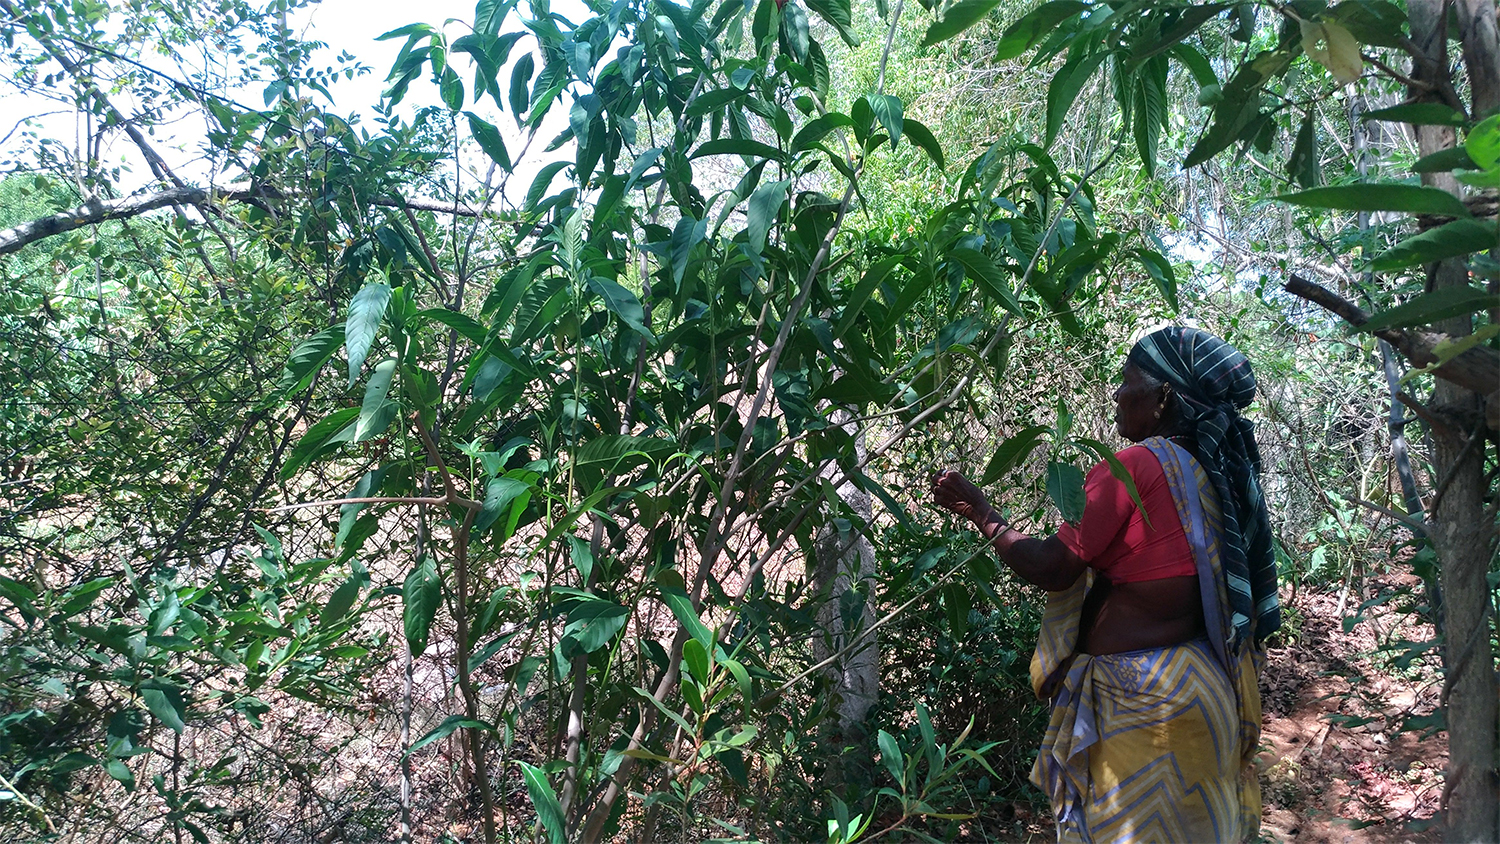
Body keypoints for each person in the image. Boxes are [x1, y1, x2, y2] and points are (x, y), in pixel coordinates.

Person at [931, 326, 1276, 843]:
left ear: (1161, 397)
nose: (1116, 394)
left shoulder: (1137, 465)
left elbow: (1054, 567)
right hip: (1204, 690)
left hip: (1142, 712)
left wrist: (982, 512)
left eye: (1126, 381)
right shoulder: (1211, 468)